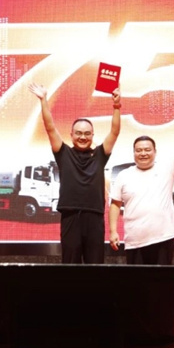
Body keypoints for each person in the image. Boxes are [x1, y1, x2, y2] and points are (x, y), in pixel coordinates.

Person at [28, 82, 121, 264]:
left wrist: (116, 106)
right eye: (78, 133)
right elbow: (49, 127)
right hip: (70, 216)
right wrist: (43, 100)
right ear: (71, 135)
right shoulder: (63, 153)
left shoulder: (100, 154)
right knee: (70, 264)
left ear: (92, 135)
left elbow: (115, 132)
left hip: (94, 216)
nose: (82, 137)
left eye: (87, 133)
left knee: (95, 265)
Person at [108, 107, 174, 265]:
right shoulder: (123, 175)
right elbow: (115, 204)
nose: (143, 153)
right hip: (134, 240)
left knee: (161, 278)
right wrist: (113, 231)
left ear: (155, 152)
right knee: (137, 279)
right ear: (134, 153)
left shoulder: (166, 167)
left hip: (163, 237)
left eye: (147, 150)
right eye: (139, 150)